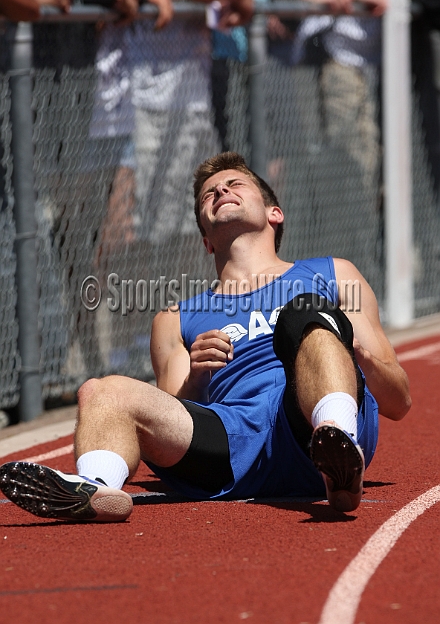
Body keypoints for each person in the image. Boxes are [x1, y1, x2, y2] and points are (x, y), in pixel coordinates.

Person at [0, 151, 411, 521]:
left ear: (274, 213)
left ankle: (336, 446)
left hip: (305, 423)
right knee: (100, 391)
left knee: (303, 311)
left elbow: (398, 401)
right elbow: (170, 416)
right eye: (208, 195)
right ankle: (95, 488)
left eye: (235, 184)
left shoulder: (333, 274)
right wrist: (197, 376)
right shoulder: (175, 318)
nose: (220, 191)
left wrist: (352, 349)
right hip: (232, 443)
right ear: (205, 240)